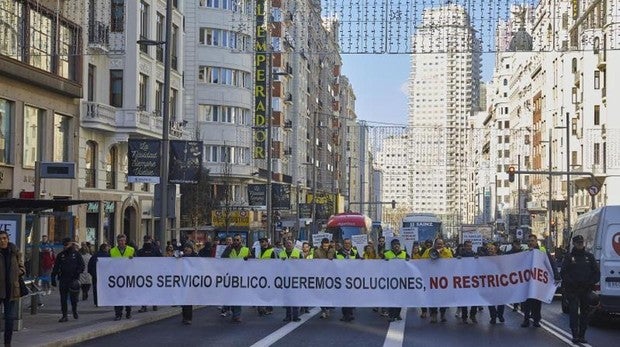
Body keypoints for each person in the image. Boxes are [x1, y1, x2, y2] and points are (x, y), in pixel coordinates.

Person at [561, 235, 600, 344]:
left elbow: (596, 273)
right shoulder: (569, 257)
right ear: (574, 243)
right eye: (578, 243)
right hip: (573, 290)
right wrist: (571, 282)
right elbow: (563, 272)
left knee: (585, 313)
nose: (580, 244)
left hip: (586, 289)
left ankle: (582, 335)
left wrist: (590, 282)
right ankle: (575, 335)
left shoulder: (589, 257)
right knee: (573, 312)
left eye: (581, 242)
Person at [521, 234, 557, 328]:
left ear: (536, 241)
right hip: (528, 281)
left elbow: (551, 263)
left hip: (538, 280)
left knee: (536, 302)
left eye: (532, 241)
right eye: (529, 241)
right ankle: (526, 320)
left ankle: (536, 320)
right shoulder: (525, 252)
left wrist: (556, 275)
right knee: (527, 301)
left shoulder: (542, 251)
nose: (530, 243)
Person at [0, 230, 25, 347]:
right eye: (0, 239)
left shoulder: (14, 251)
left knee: (9, 319)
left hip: (11, 289)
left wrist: (17, 273)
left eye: (4, 238)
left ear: (7, 239)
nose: (2, 241)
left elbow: (22, 266)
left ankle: (7, 343)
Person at [51, 238, 85, 322]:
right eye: (65, 245)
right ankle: (64, 315)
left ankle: (74, 310)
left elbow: (82, 265)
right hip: (63, 279)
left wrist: (77, 273)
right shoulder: (60, 255)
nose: (66, 246)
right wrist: (53, 278)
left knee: (74, 298)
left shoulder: (76, 254)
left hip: (73, 279)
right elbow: (56, 267)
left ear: (71, 244)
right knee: (63, 298)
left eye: (67, 244)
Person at [422, 238, 453, 323]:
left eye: (441, 244)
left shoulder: (447, 252)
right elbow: (422, 262)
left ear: (443, 245)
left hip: (443, 279)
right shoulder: (428, 251)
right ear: (434, 244)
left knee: (443, 298)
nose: (439, 245)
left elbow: (452, 263)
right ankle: (434, 315)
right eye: (438, 244)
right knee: (433, 298)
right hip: (432, 279)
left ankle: (442, 314)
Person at [221, 234, 249, 323]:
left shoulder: (246, 250)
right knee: (231, 296)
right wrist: (229, 248)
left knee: (237, 296)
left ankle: (237, 315)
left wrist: (248, 258)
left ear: (241, 240)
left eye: (237, 240)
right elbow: (223, 258)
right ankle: (232, 311)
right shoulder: (229, 249)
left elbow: (252, 261)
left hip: (241, 276)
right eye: (235, 240)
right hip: (230, 276)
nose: (236, 241)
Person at [110, 234, 135, 321]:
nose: (121, 242)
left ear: (125, 241)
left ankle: (128, 312)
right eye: (119, 241)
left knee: (127, 296)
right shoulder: (112, 251)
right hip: (117, 277)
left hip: (128, 277)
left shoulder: (131, 250)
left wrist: (133, 259)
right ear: (117, 241)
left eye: (122, 240)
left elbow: (137, 263)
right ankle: (118, 314)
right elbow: (108, 263)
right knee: (117, 296)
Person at [336, 238, 361, 322]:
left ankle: (349, 313)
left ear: (351, 244)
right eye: (346, 243)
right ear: (343, 244)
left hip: (352, 278)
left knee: (350, 297)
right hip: (342, 279)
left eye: (349, 243)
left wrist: (362, 261)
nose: (347, 245)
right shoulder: (338, 253)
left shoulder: (355, 252)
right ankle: (345, 314)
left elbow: (359, 263)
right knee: (344, 297)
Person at [384, 239, 409, 322]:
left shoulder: (405, 254)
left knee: (400, 298)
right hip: (390, 280)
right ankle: (391, 315)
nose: (396, 246)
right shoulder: (386, 254)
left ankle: (397, 314)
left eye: (398, 244)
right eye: (394, 244)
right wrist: (384, 261)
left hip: (401, 280)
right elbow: (379, 264)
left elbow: (411, 264)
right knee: (392, 299)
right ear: (392, 246)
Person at [137, 235, 161, 313]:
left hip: (153, 272)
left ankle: (154, 303)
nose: (147, 242)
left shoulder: (155, 250)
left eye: (148, 240)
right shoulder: (141, 251)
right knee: (144, 290)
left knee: (153, 288)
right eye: (146, 240)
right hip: (144, 273)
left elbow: (161, 260)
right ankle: (144, 305)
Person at [279, 239, 302, 322]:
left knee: (295, 298)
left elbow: (304, 265)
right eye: (287, 243)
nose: (288, 244)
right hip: (285, 278)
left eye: (290, 243)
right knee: (287, 298)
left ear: (293, 244)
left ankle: (295, 316)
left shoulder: (298, 253)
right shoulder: (281, 253)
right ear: (284, 245)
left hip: (296, 278)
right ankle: (288, 316)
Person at [313, 237, 335, 318]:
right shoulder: (317, 251)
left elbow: (335, 260)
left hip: (330, 275)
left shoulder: (332, 250)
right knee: (320, 293)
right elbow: (314, 262)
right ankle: (323, 309)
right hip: (320, 275)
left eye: (327, 246)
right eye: (324, 246)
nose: (326, 247)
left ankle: (328, 308)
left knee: (328, 293)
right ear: (321, 245)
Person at [457, 240, 478, 324]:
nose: (469, 247)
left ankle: (473, 315)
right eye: (468, 246)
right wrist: (457, 259)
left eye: (470, 246)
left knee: (475, 300)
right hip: (463, 280)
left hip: (473, 280)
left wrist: (477, 259)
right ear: (464, 247)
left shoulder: (475, 254)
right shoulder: (460, 255)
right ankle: (464, 317)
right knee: (464, 300)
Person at [486, 243, 505, 324]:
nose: (490, 250)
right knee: (490, 300)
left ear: (495, 250)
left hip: (499, 282)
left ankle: (500, 315)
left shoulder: (500, 259)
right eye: (489, 249)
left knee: (501, 299)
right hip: (488, 282)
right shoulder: (484, 260)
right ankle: (493, 317)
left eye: (492, 249)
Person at [180, 243, 197, 325]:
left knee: (188, 300)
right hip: (183, 281)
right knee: (183, 300)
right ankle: (184, 316)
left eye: (188, 248)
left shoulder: (195, 257)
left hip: (191, 281)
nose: (187, 250)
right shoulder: (182, 257)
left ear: (191, 249)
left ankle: (188, 318)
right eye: (185, 248)